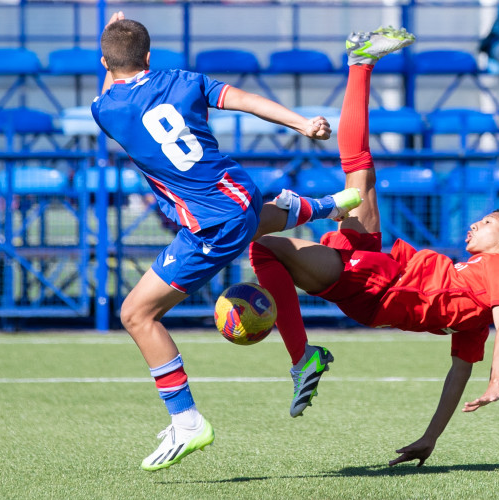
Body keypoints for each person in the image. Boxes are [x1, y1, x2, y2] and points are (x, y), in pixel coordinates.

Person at [249, 27, 499, 467]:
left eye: (489, 223)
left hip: (376, 288)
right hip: (384, 264)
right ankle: (361, 63)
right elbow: (459, 372)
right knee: (360, 170)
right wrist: (430, 438)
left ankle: (301, 354)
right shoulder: (474, 287)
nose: (477, 224)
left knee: (265, 246)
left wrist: (497, 380)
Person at [91, 12, 362, 471]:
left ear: (104, 62)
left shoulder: (106, 110)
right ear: (151, 57)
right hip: (237, 187)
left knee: (136, 314)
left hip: (210, 222)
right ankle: (329, 205)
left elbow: (111, 88)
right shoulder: (184, 80)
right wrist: (300, 124)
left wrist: (110, 55)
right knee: (251, 221)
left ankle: (187, 420)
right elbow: (247, 100)